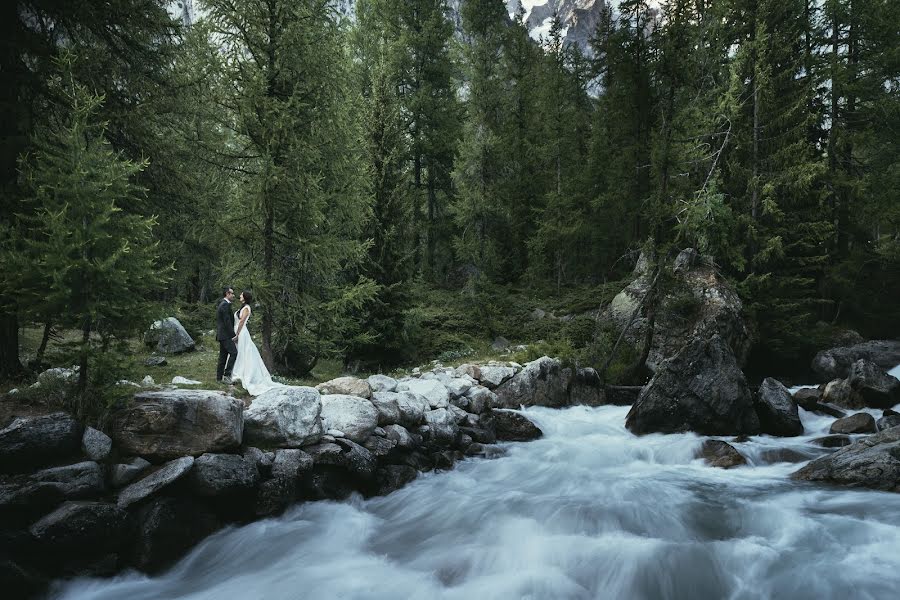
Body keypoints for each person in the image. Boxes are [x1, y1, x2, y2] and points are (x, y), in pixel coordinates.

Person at [230, 290, 281, 396]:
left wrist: (237, 334)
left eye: (241, 294)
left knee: (242, 352)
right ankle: (233, 371)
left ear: (245, 297)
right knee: (236, 351)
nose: (239, 295)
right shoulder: (241, 307)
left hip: (241, 332)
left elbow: (242, 321)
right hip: (237, 330)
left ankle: (242, 373)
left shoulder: (247, 308)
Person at [215, 286, 238, 383]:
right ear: (227, 294)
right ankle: (227, 375)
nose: (233, 295)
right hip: (226, 335)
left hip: (222, 335)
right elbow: (227, 322)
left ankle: (219, 378)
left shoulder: (224, 304)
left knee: (223, 356)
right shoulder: (224, 305)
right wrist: (233, 335)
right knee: (234, 353)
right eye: (232, 293)